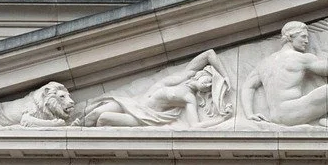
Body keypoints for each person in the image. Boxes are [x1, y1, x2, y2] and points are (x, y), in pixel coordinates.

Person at [241, 20, 328, 126]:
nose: (306, 41)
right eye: (303, 37)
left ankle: (324, 121)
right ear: (290, 37)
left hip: (275, 116)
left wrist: (249, 114)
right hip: (292, 112)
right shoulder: (301, 58)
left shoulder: (264, 62)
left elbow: (248, 86)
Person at [83, 49, 232, 127]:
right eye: (209, 80)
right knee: (95, 111)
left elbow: (195, 126)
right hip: (132, 103)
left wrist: (221, 119)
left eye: (210, 87)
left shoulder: (189, 98)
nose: (208, 84)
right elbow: (209, 54)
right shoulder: (186, 74)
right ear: (201, 74)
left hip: (143, 117)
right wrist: (225, 75)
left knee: (103, 118)